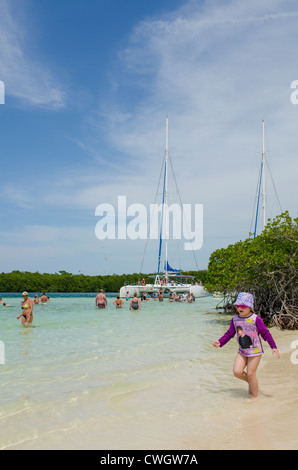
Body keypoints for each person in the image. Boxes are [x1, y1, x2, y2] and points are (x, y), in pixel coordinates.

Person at [213, 292, 280, 400]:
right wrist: (220, 342)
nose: (240, 308)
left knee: (250, 373)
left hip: (255, 351)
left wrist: (273, 347)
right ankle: (251, 382)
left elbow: (265, 333)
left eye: (243, 306)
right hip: (242, 351)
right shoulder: (235, 319)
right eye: (237, 305)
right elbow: (230, 333)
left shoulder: (255, 318)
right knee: (237, 372)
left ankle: (254, 397)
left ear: (250, 307)